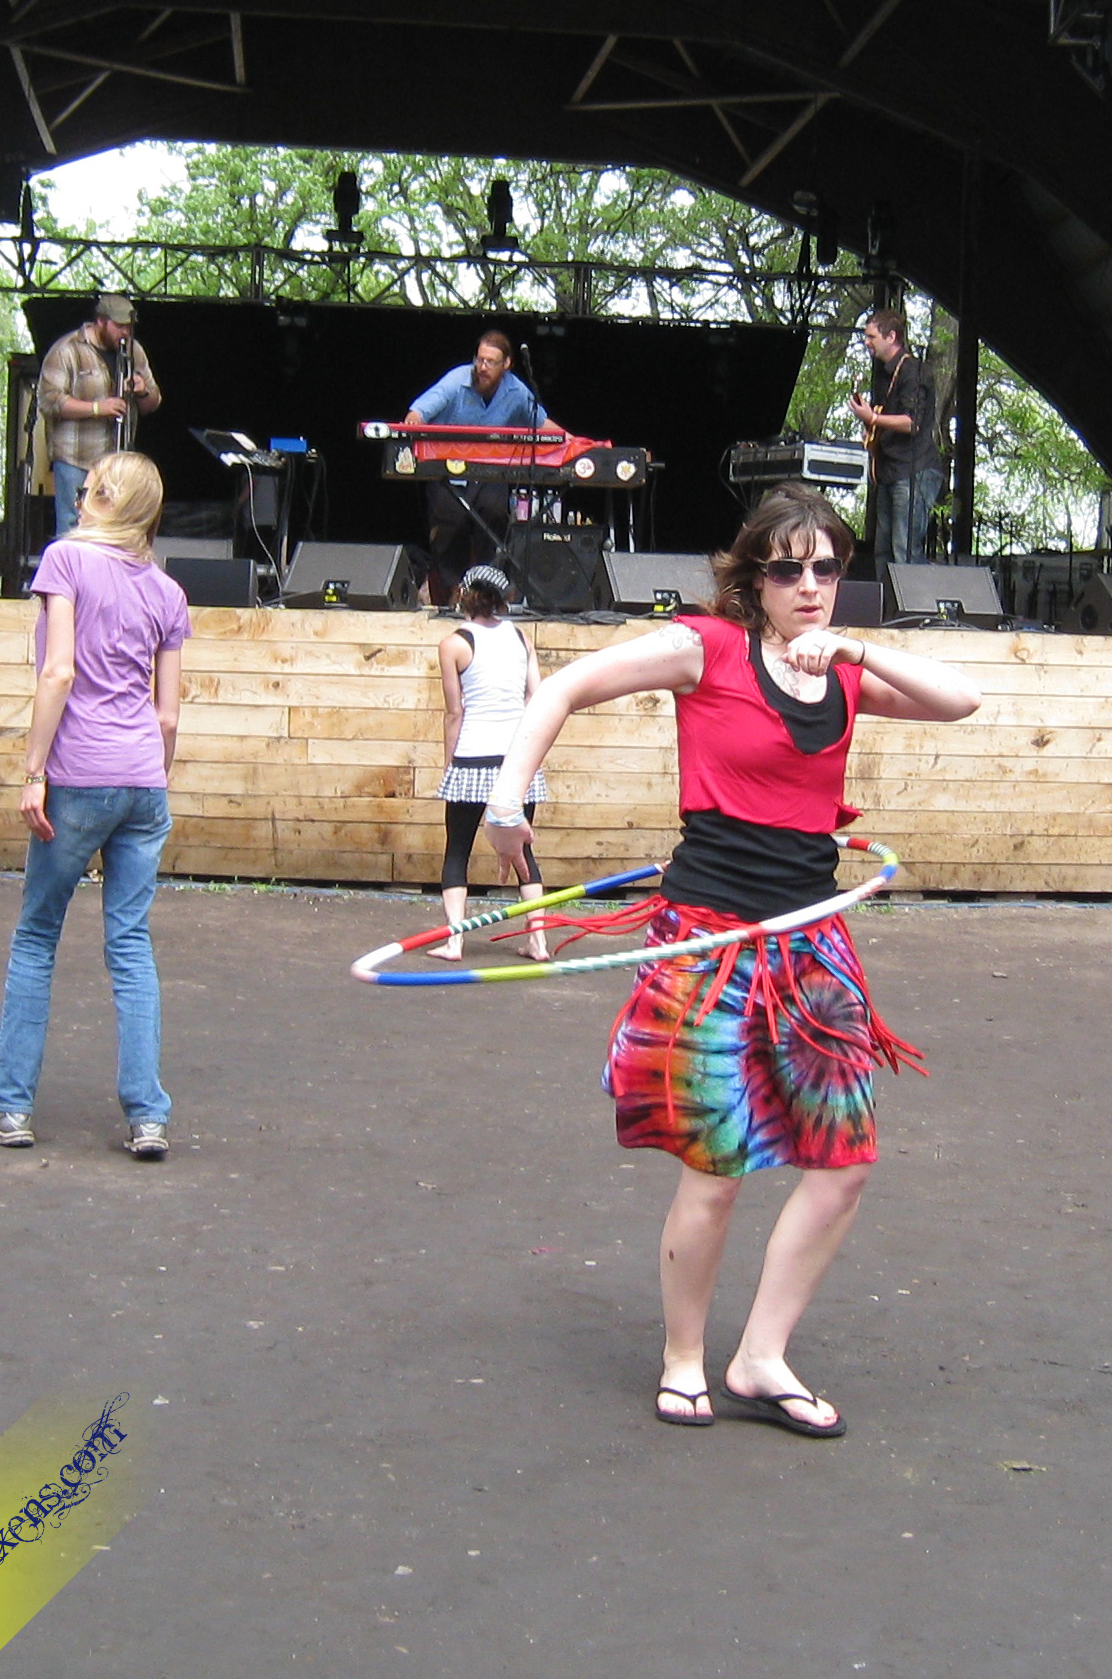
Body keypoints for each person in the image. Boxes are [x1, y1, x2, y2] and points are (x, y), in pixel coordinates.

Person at [483, 484, 979, 1436]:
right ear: (753, 577)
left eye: (826, 567)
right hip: (708, 944)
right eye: (787, 568)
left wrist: (859, 647)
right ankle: (682, 1357)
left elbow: (962, 701)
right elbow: (562, 687)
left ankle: (761, 1357)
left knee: (844, 1161)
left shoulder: (842, 675)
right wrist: (509, 806)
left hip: (812, 945)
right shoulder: (703, 648)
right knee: (717, 1169)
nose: (808, 585)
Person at [0, 452, 190, 1159]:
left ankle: (10, 1108)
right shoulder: (166, 591)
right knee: (130, 947)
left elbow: (58, 670)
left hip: (78, 774)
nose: (81, 495)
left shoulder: (64, 561)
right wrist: (145, 782)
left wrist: (33, 770)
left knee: (36, 936)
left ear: (100, 497)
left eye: (91, 487)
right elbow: (166, 717)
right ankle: (148, 1116)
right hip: (142, 781)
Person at [434, 564, 550, 963]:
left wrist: (450, 764)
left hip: (473, 755)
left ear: (465, 593)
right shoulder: (521, 638)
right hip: (516, 758)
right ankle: (538, 942)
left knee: (457, 851)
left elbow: (455, 712)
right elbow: (537, 698)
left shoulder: (454, 643)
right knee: (523, 854)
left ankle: (454, 942)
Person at [406, 331, 561, 605]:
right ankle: (452, 591)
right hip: (447, 471)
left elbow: (542, 424)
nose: (483, 367)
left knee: (494, 515)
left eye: (491, 361)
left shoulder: (516, 391)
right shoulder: (456, 381)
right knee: (449, 522)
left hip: (491, 473)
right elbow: (419, 411)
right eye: (479, 360)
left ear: (507, 364)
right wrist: (413, 422)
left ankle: (489, 590)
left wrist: (577, 444)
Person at [38, 293, 162, 540]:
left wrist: (142, 391)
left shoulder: (134, 351)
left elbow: (154, 403)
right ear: (101, 321)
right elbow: (50, 401)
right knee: (73, 525)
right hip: (76, 458)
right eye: (119, 326)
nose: (125, 332)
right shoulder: (68, 350)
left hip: (116, 461)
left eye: (129, 327)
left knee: (115, 527)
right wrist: (97, 408)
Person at [848, 308, 942, 566]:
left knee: (905, 551)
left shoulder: (915, 371)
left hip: (915, 470)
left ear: (891, 337)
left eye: (871, 336)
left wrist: (873, 419)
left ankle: (914, 607)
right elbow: (882, 417)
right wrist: (872, 428)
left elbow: (912, 424)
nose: (866, 342)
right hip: (890, 470)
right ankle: (887, 607)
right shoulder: (882, 372)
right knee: (883, 552)